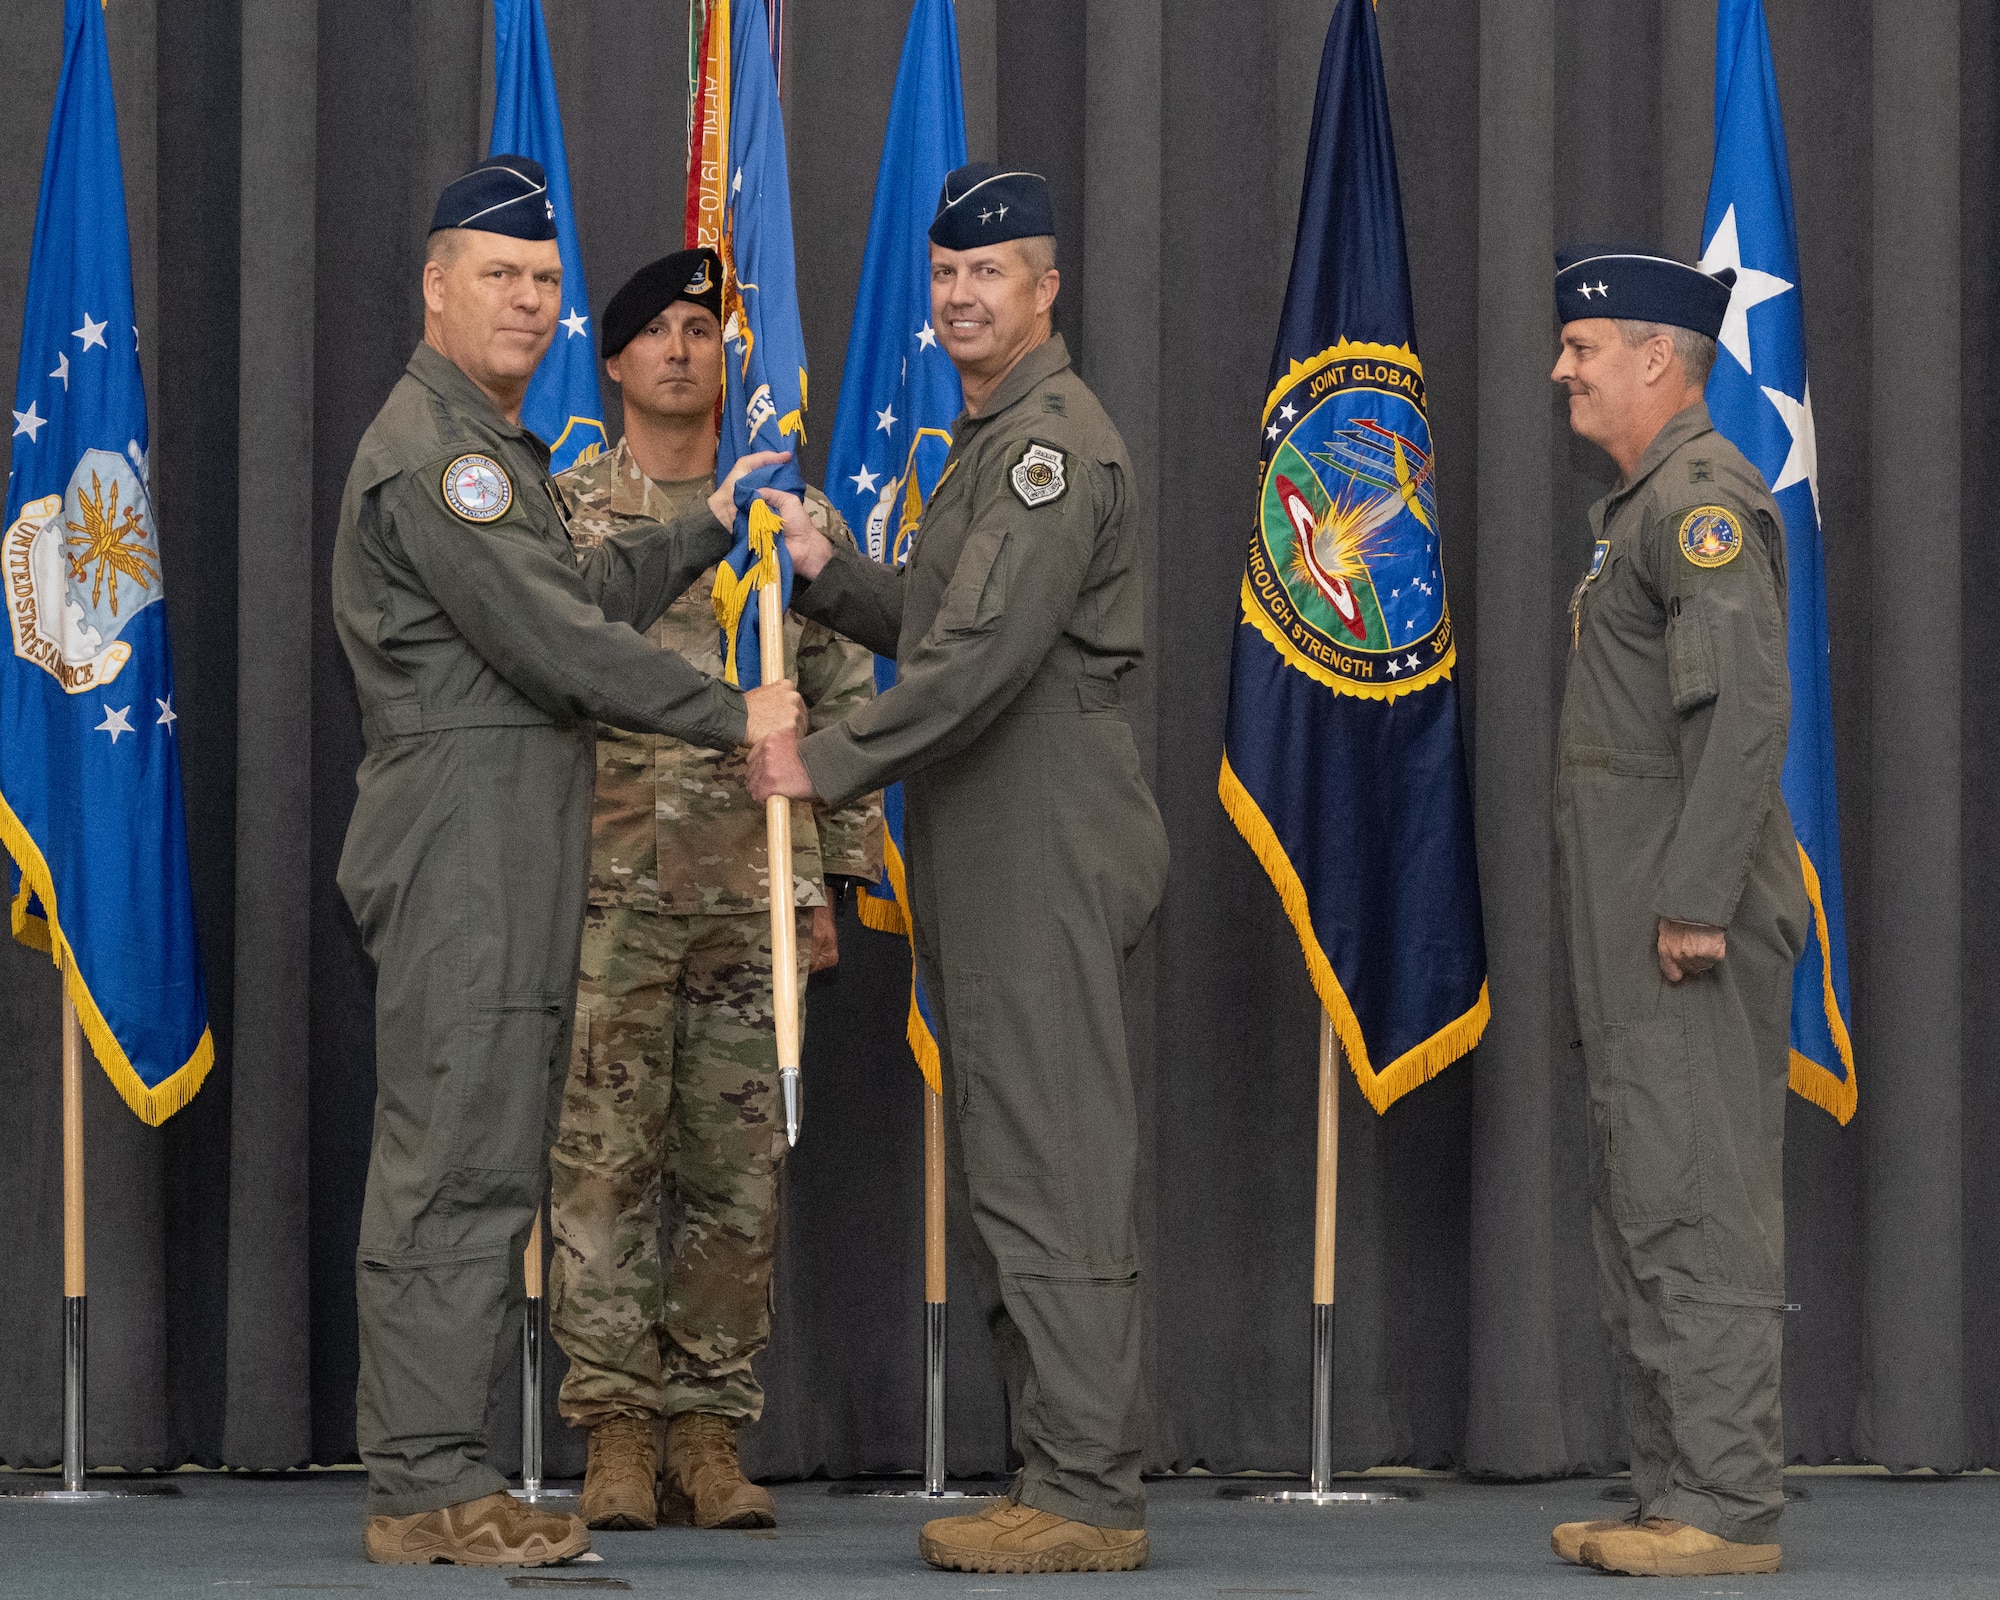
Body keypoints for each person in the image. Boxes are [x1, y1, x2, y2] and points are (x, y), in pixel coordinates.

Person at [331, 156, 803, 1568]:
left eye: (544, 281)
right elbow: (555, 643)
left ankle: (435, 1471)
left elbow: (579, 593)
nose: (530, 301)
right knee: (454, 1163)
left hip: (509, 842)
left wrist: (713, 523)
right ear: (434, 287)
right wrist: (736, 710)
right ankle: (424, 1480)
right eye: (500, 275)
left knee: (479, 1161)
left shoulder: (491, 447)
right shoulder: (443, 455)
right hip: (462, 843)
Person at [748, 163, 1169, 1575]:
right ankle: (1055, 1467)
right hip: (991, 823)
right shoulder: (991, 445)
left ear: (1046, 290)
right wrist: (827, 571)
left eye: (987, 274)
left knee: (1050, 1154)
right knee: (1007, 1151)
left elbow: (983, 664)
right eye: (943, 276)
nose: (957, 296)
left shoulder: (1053, 447)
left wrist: (830, 756)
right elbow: (943, 619)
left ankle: (1092, 1490)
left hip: (1040, 819)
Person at [547, 249, 883, 1533]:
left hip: (751, 891)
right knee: (601, 1175)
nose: (684, 351)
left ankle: (706, 1431)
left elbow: (846, 708)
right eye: (658, 334)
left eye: (703, 328)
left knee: (736, 1180)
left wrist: (826, 881)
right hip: (607, 893)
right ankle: (616, 1434)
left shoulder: (786, 521)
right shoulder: (570, 516)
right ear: (616, 360)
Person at [1544, 248, 1806, 1579]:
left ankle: (1726, 1505)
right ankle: (1673, 1494)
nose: (1564, 370)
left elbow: (1746, 711)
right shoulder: (1639, 509)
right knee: (1648, 1192)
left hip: (1683, 919)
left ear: (1661, 359)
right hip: (1635, 915)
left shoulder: (1699, 504)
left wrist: (1697, 896)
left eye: (1586, 348)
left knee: (1698, 1197)